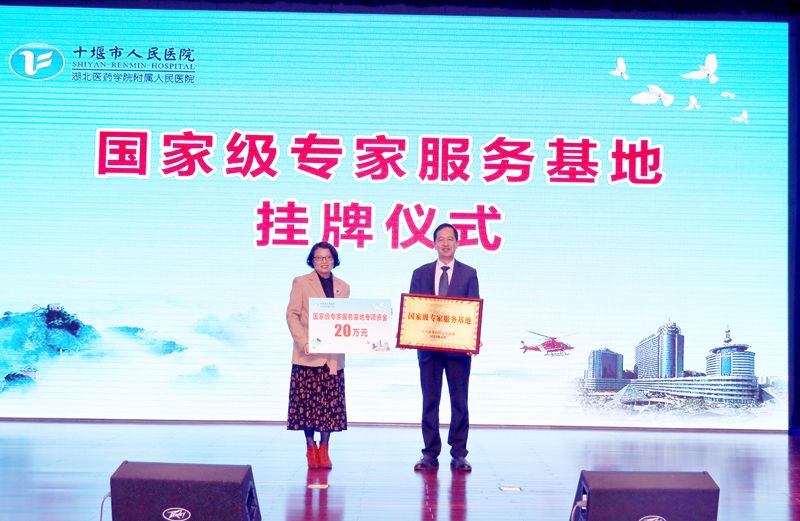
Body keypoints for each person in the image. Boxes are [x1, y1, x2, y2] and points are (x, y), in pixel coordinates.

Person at [409, 223, 479, 472]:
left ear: (457, 243)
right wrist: (409, 334)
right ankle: (429, 453)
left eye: (450, 239)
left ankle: (459, 453)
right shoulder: (420, 273)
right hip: (428, 349)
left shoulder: (469, 274)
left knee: (459, 401)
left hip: (458, 349)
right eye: (441, 239)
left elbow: (473, 309)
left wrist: (473, 336)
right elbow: (414, 309)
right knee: (430, 401)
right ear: (434, 243)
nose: (446, 243)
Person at [286, 241, 350, 469]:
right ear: (312, 260)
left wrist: (376, 320)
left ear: (334, 260)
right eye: (319, 257)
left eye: (328, 257)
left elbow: (348, 318)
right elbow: (292, 314)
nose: (324, 261)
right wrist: (303, 341)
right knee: (308, 406)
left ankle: (325, 448)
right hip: (308, 355)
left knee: (329, 407)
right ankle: (310, 447)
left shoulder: (343, 286)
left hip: (332, 357)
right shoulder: (301, 282)